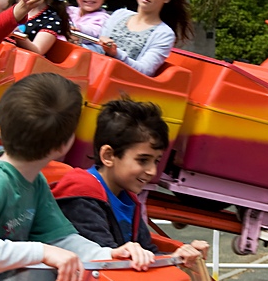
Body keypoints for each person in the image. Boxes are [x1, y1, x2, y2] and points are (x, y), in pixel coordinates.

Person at [0, 73, 156, 281]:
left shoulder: (33, 180)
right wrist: (41, 252)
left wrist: (106, 255)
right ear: (62, 146)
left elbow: (60, 238)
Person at [51, 97, 209, 267]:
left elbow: (147, 251)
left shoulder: (127, 197)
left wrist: (181, 256)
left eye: (156, 161)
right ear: (108, 156)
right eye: (143, 160)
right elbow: (104, 262)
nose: (152, 171)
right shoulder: (82, 195)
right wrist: (171, 258)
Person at [89, 0, 194, 77]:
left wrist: (116, 53)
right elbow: (97, 49)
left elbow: (144, 71)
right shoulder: (119, 14)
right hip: (95, 75)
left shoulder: (164, 34)